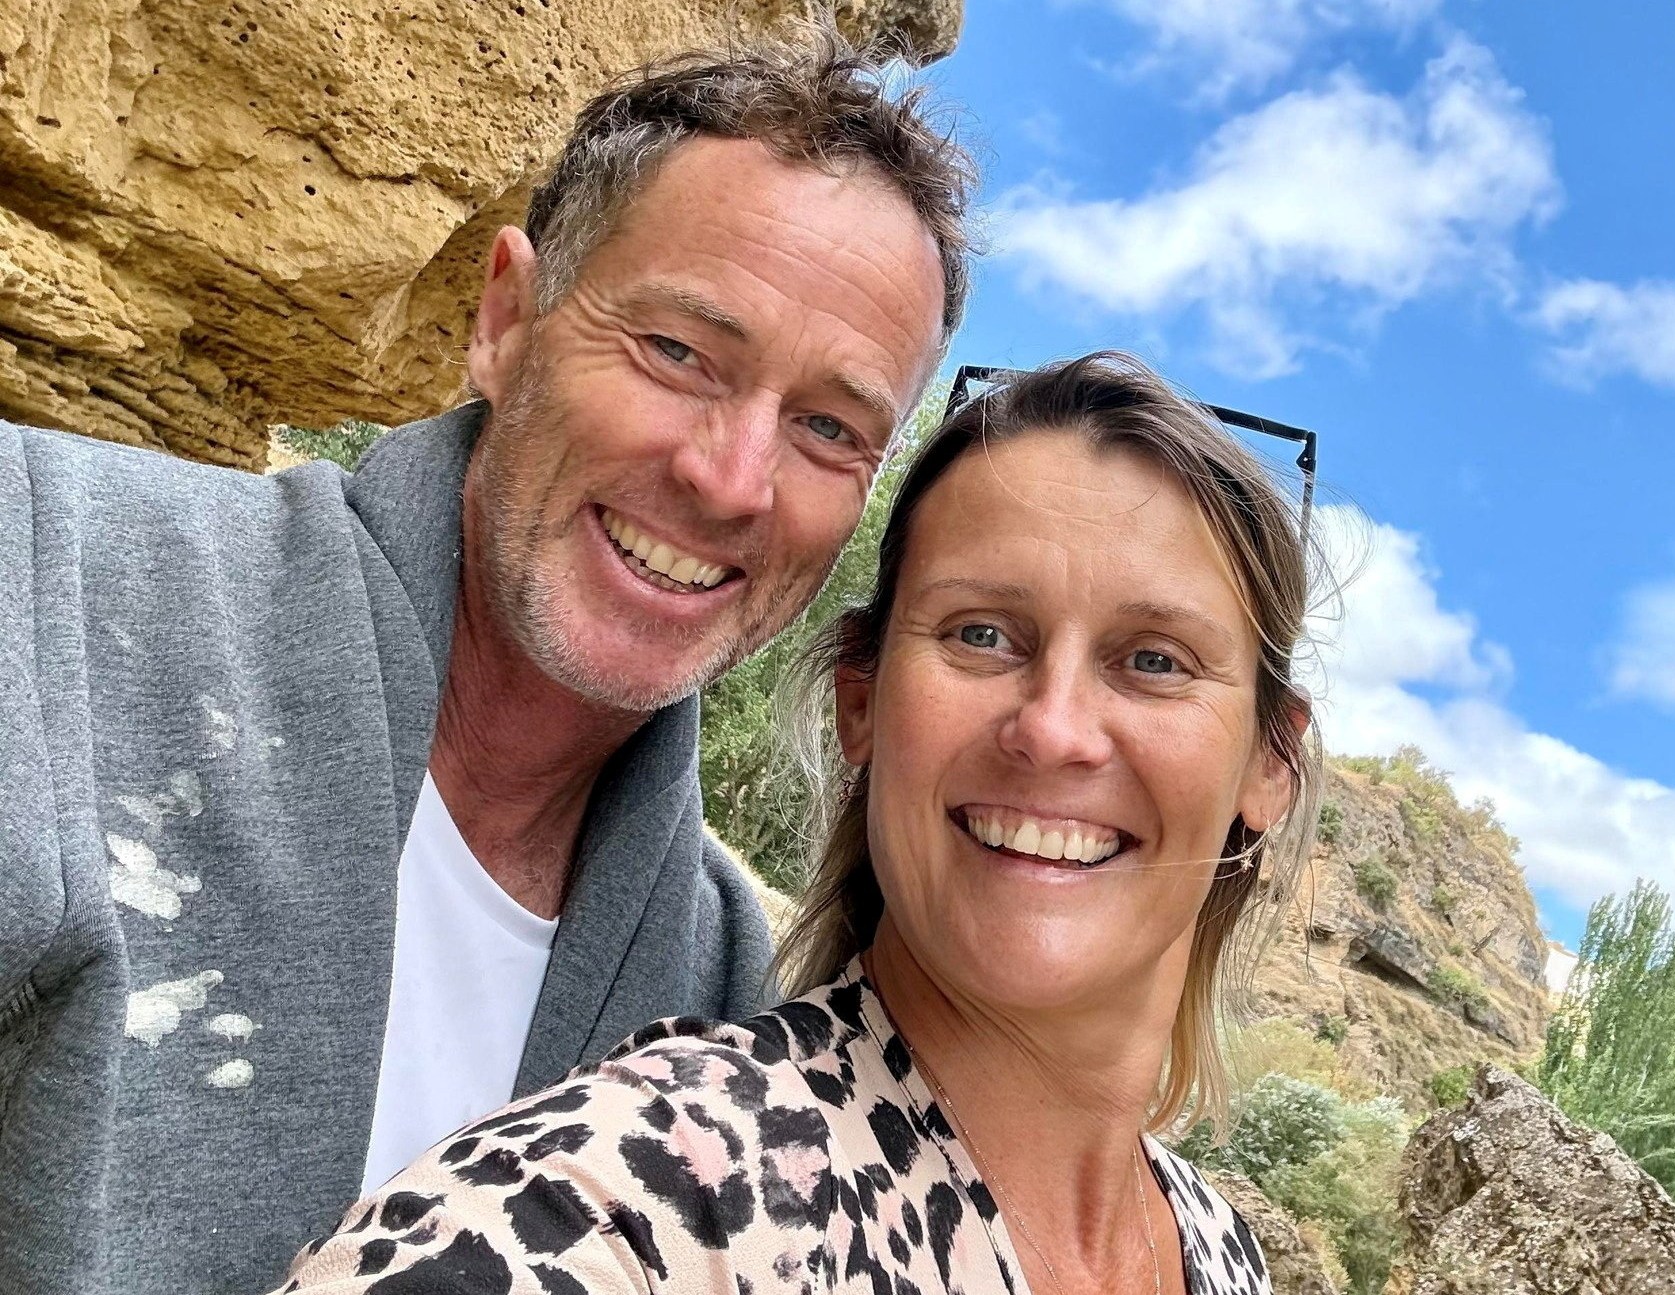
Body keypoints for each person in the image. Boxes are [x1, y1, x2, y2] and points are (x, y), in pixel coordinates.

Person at [0, 32, 972, 1295]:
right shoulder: (48, 578)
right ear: (506, 320)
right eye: (677, 351)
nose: (732, 480)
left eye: (829, 427)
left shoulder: (724, 981)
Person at [270, 353, 1319, 1295]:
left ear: (1268, 762)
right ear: (861, 697)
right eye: (982, 634)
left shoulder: (1217, 1246)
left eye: (1154, 660)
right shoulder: (642, 1201)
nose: (1051, 728)